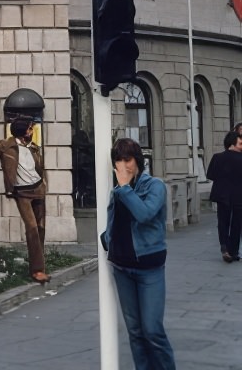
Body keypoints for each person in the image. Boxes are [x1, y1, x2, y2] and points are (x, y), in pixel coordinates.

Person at [101, 137, 176, 370]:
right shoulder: (117, 191)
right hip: (122, 267)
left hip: (148, 267)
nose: (124, 165)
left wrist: (124, 188)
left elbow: (145, 214)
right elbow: (115, 221)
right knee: (135, 331)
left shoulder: (154, 185)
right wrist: (107, 240)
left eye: (128, 159)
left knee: (152, 329)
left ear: (137, 161)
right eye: (119, 160)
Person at [0, 115, 50, 283]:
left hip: (38, 190)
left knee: (40, 229)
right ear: (23, 131)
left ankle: (39, 266)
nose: (32, 131)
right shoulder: (7, 146)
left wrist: (45, 183)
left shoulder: (33, 147)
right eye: (30, 129)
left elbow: (40, 167)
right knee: (32, 228)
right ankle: (37, 271)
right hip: (22, 193)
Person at [206, 130, 242, 262]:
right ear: (232, 144)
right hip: (239, 195)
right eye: (240, 143)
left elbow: (210, 175)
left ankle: (224, 248)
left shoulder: (217, 157)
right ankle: (234, 251)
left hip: (222, 194)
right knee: (237, 223)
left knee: (223, 221)